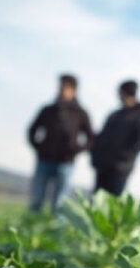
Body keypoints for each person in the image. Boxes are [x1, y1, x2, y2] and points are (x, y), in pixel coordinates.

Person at [27, 74, 93, 212]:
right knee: (36, 199)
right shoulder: (48, 109)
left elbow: (90, 138)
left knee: (59, 203)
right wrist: (39, 147)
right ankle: (29, 229)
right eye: (60, 87)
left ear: (73, 90)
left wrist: (75, 150)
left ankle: (56, 232)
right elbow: (32, 130)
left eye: (65, 87)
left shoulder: (80, 113)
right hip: (44, 160)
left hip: (66, 162)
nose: (61, 90)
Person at [91, 80, 140, 196]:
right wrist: (95, 157)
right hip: (102, 167)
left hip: (120, 170)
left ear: (124, 93)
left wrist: (121, 158)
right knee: (96, 204)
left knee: (114, 204)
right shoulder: (114, 115)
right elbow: (101, 138)